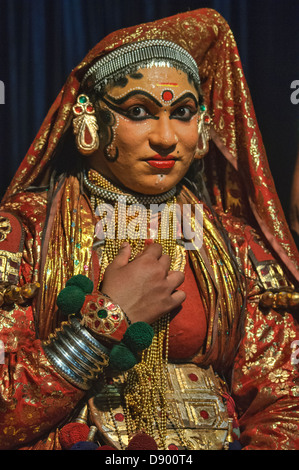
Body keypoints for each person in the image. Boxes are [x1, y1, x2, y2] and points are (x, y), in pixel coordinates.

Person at [0, 8, 298, 451]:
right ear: (90, 120)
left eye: (182, 112)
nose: (165, 137)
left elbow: (285, 401)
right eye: (139, 110)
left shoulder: (237, 244)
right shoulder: (23, 232)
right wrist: (105, 320)